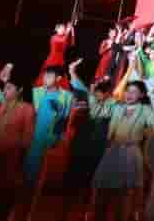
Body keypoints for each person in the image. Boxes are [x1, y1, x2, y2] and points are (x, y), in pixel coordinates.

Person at [91, 78, 154, 221]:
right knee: (102, 186)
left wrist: (146, 133)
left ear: (141, 95)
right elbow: (96, 113)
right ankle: (97, 216)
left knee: (126, 190)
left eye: (134, 92)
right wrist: (94, 96)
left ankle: (124, 216)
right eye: (128, 91)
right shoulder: (117, 107)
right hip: (113, 150)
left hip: (131, 152)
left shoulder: (145, 110)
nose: (129, 94)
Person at [64, 61, 116, 221]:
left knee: (91, 180)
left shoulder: (113, 105)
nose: (96, 93)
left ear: (107, 94)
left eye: (99, 92)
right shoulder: (89, 98)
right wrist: (72, 71)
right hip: (82, 146)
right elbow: (78, 85)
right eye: (95, 89)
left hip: (97, 148)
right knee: (76, 178)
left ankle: (87, 210)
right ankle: (71, 209)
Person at [24, 64, 73, 196]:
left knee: (44, 172)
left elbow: (65, 119)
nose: (45, 78)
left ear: (58, 78)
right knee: (30, 169)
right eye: (45, 76)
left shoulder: (67, 96)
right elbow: (31, 113)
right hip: (35, 136)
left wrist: (56, 138)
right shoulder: (37, 92)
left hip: (52, 138)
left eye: (49, 76)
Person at [0, 64, 34, 221]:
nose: (5, 91)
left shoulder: (27, 109)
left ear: (19, 90)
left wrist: (10, 145)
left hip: (10, 162)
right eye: (4, 88)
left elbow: (27, 140)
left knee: (4, 198)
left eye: (9, 88)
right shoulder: (1, 107)